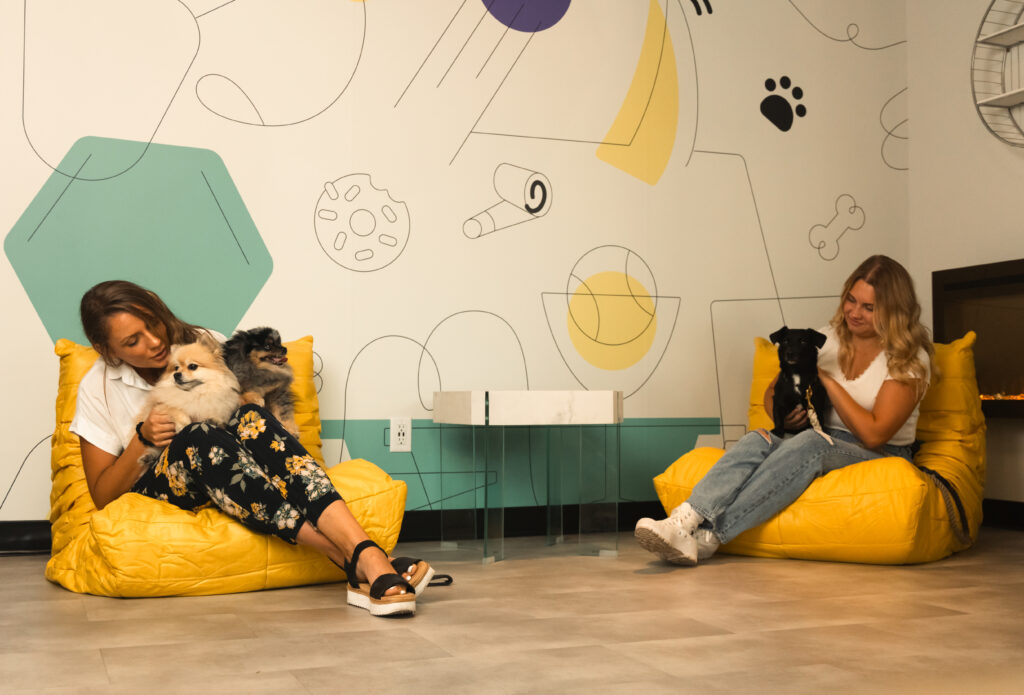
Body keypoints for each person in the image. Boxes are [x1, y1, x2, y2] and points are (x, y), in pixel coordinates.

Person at [72, 280, 429, 615]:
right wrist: (143, 438)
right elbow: (102, 495)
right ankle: (351, 556)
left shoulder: (208, 344)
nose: (154, 341)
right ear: (107, 349)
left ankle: (363, 551)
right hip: (164, 481)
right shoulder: (97, 387)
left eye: (153, 323)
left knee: (249, 415)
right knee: (198, 436)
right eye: (133, 341)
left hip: (232, 470)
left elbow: (259, 417)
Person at [635, 255, 933, 565]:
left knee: (812, 443)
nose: (854, 313)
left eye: (869, 307)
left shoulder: (909, 358)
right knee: (758, 439)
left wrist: (827, 381)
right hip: (819, 436)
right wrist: (786, 419)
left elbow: (874, 434)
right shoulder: (830, 339)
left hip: (880, 452)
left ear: (894, 311)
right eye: (851, 300)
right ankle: (683, 519)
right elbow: (772, 393)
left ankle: (708, 537)